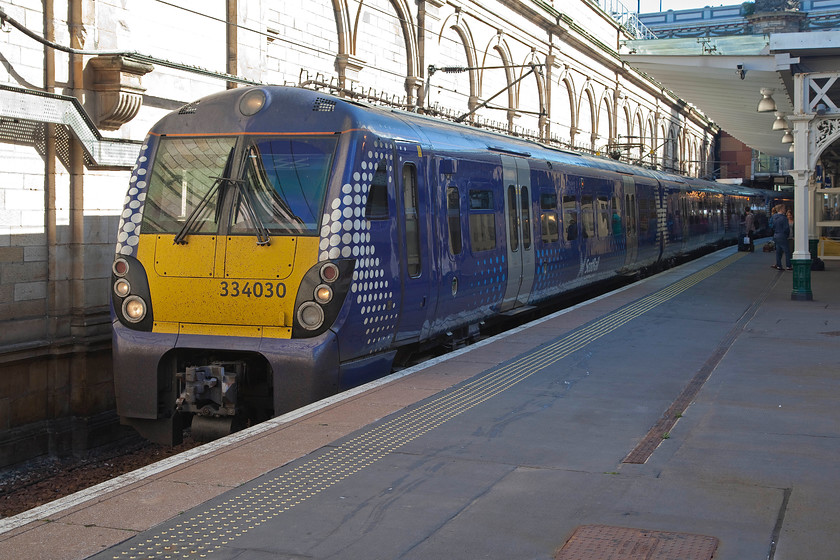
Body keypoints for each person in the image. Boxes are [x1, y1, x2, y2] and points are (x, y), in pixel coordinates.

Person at [770, 204, 792, 270]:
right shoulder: (784, 218)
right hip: (782, 235)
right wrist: (787, 235)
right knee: (787, 251)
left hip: (776, 235)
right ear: (781, 209)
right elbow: (786, 228)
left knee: (778, 251)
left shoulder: (773, 217)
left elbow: (771, 225)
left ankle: (779, 265)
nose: (785, 210)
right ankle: (788, 265)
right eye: (784, 208)